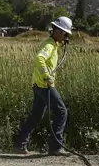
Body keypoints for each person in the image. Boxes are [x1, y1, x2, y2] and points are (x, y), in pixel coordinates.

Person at [14, 16, 72, 156]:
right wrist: (46, 76)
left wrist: (62, 44)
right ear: (58, 31)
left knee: (35, 116)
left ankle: (20, 145)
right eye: (65, 33)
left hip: (38, 84)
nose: (66, 37)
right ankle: (55, 147)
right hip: (44, 85)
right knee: (61, 112)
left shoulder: (53, 44)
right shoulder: (49, 45)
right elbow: (40, 58)